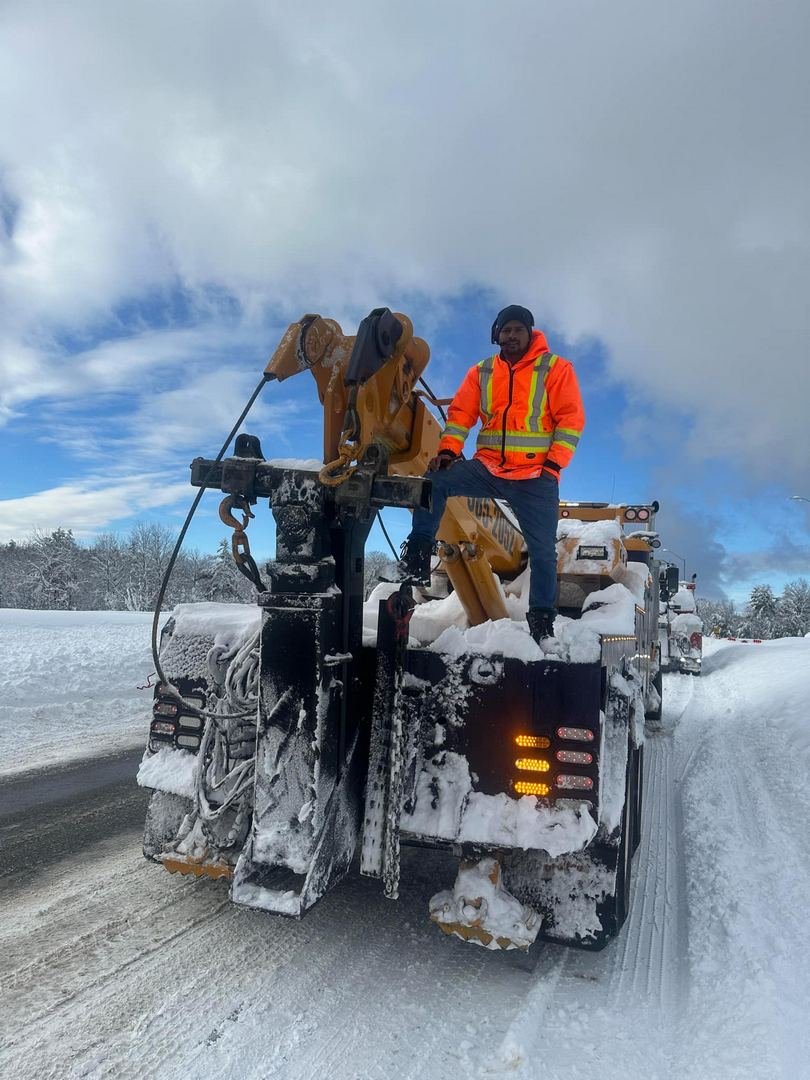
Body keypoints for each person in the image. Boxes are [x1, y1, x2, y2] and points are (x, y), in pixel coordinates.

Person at [398, 304, 585, 643]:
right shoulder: (482, 372)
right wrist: (447, 452)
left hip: (535, 477)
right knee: (435, 480)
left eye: (518, 330)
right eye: (506, 330)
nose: (512, 335)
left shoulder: (555, 368)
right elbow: (460, 416)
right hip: (488, 468)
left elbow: (570, 421)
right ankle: (417, 555)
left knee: (543, 552)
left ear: (530, 333)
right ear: (496, 335)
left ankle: (542, 623)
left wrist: (553, 466)